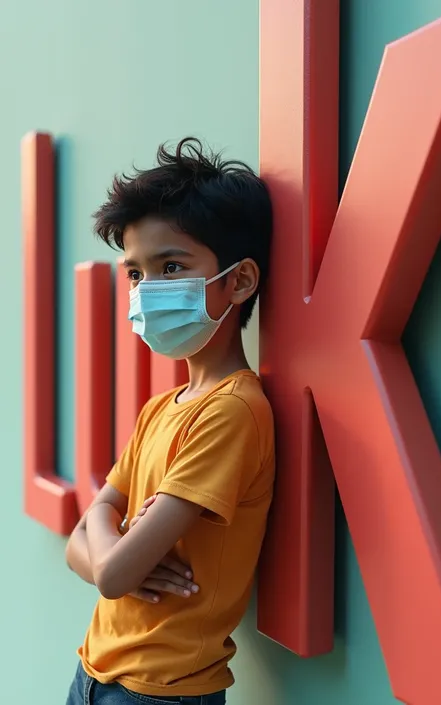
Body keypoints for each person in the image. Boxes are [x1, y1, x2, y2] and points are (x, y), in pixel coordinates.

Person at [65, 137, 275, 705]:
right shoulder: (164, 407)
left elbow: (106, 571)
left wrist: (110, 547)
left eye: (172, 266)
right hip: (95, 671)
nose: (147, 290)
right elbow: (79, 543)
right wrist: (117, 546)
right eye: (135, 273)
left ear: (240, 281)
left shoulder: (232, 411)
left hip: (160, 693)